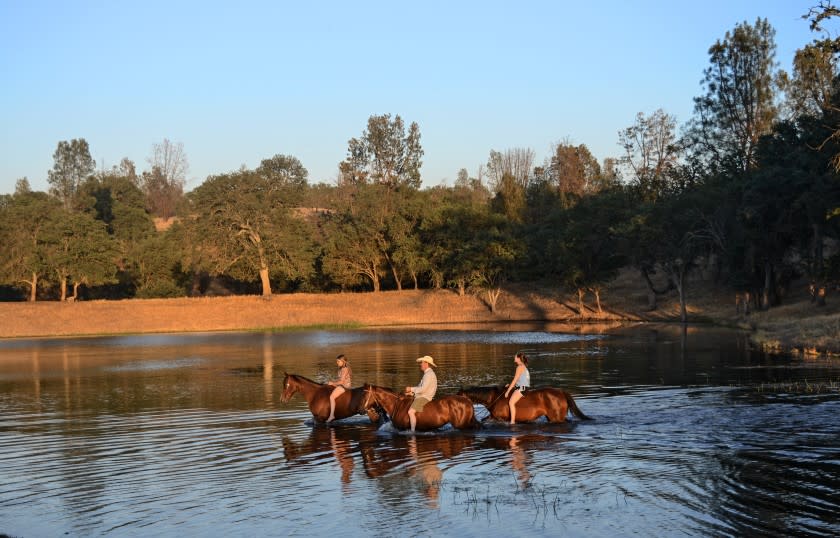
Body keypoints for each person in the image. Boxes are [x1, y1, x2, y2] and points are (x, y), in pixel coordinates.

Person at [405, 355, 438, 432]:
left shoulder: (428, 374)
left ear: (426, 363)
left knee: (410, 412)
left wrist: (411, 388)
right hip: (424, 395)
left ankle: (412, 432)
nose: (420, 364)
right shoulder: (428, 373)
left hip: (425, 397)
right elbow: (421, 388)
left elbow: (423, 389)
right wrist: (412, 393)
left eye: (422, 363)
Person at [504, 352, 530, 425]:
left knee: (511, 402)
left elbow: (515, 380)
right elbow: (519, 380)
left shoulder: (519, 367)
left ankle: (512, 422)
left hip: (522, 388)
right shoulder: (523, 366)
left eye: (515, 357)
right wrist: (510, 385)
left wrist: (508, 391)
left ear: (518, 358)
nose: (514, 358)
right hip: (523, 387)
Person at [326, 354, 352, 423]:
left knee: (331, 397)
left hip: (345, 386)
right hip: (341, 385)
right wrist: (332, 384)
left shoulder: (345, 369)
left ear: (343, 361)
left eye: (338, 361)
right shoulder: (340, 369)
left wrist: (333, 383)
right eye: (337, 361)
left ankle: (332, 415)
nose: (337, 363)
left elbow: (342, 381)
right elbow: (339, 380)